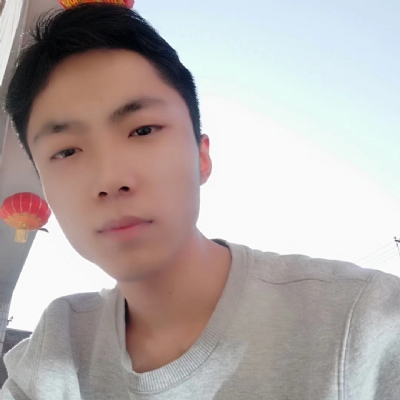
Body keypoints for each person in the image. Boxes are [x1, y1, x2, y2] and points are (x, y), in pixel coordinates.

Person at [1, 3, 400, 399]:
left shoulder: (363, 324)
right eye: (66, 151)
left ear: (202, 157)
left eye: (143, 130)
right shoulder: (58, 348)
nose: (110, 180)